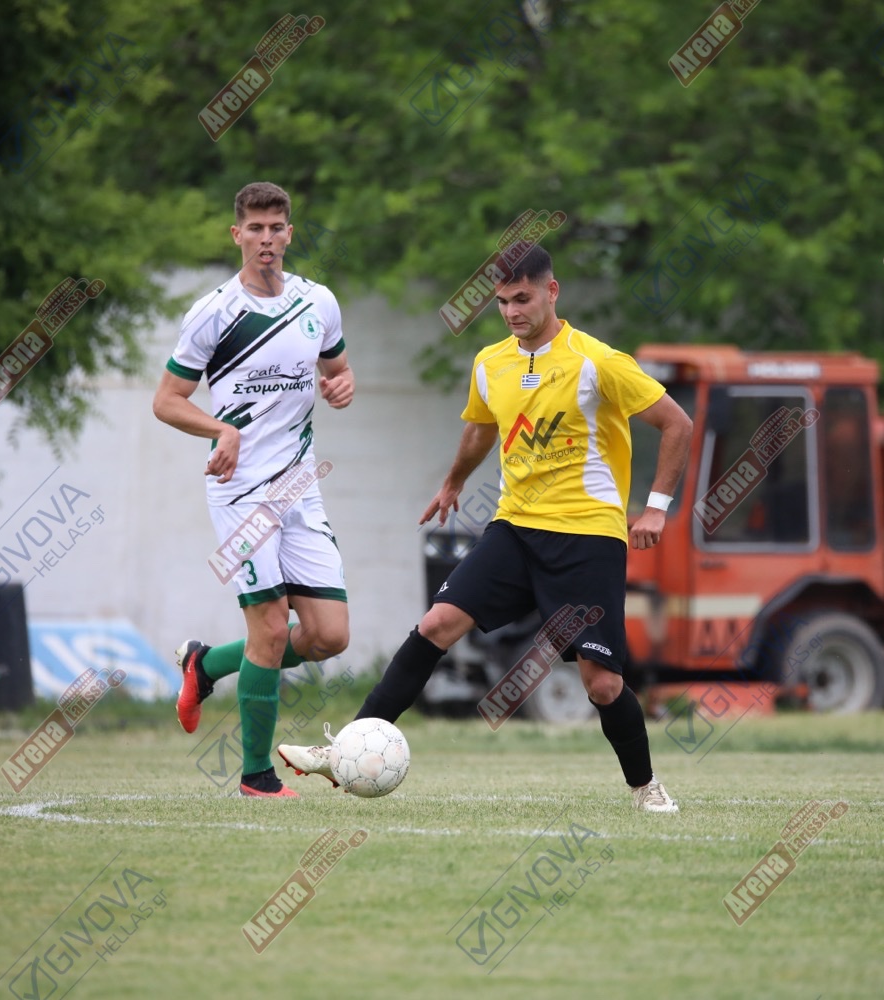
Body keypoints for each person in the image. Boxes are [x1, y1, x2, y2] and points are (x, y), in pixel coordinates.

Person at [278, 244, 694, 812]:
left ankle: (646, 787)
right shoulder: (490, 363)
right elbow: (480, 428)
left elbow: (677, 424)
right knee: (436, 624)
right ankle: (346, 748)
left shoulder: (597, 361)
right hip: (515, 529)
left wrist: (657, 508)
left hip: (587, 537)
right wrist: (453, 482)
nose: (512, 312)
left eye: (523, 299)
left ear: (552, 291)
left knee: (602, 684)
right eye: (502, 302)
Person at [152, 181, 355, 798]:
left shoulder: (318, 302)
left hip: (300, 488)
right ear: (236, 234)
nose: (266, 239)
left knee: (329, 635)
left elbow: (337, 370)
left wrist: (342, 386)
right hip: (239, 492)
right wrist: (221, 430)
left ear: (290, 234)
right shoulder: (213, 312)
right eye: (255, 228)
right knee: (269, 629)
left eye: (276, 228)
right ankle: (257, 777)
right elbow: (167, 400)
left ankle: (206, 663)